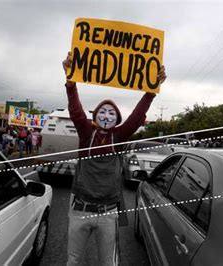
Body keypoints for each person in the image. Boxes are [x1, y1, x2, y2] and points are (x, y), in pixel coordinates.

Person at [62, 51, 166, 266]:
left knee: (109, 262)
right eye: (103, 112)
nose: (106, 116)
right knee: (72, 262)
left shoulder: (118, 137)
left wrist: (151, 91)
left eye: (111, 113)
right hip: (79, 210)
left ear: (117, 119)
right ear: (95, 117)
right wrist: (70, 83)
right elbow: (76, 112)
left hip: (108, 213)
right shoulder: (86, 134)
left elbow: (136, 118)